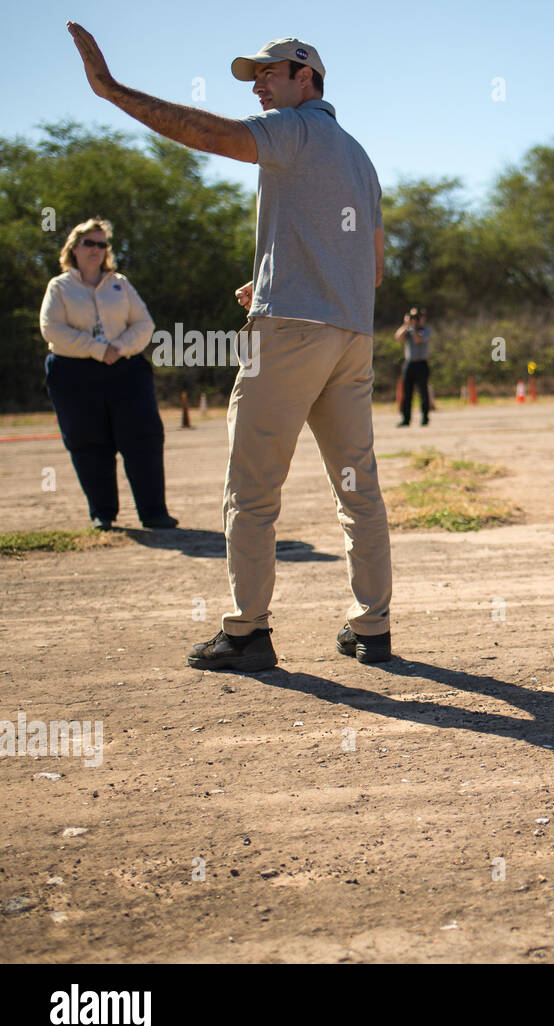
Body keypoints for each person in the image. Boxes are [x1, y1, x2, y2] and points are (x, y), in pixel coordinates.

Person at [68, 23, 393, 670]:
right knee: (358, 488)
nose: (259, 87)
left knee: (251, 491)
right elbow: (372, 265)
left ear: (308, 78)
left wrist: (111, 91)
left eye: (270, 74)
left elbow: (213, 135)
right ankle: (373, 628)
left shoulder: (295, 131)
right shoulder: (358, 156)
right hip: (351, 337)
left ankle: (247, 634)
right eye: (254, 79)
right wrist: (275, 277)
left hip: (291, 337)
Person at [39, 217, 177, 531]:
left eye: (102, 244)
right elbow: (52, 329)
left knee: (143, 438)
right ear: (74, 248)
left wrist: (119, 347)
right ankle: (103, 513)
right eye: (90, 243)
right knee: (89, 441)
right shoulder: (59, 287)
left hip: (125, 369)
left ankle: (154, 513)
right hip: (74, 374)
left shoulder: (120, 283)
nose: (97, 250)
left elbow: (144, 324)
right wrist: (95, 348)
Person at [395, 307, 433, 426]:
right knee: (407, 393)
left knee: (423, 392)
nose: (415, 320)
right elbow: (397, 337)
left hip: (422, 364)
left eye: (417, 317)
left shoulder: (426, 329)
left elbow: (418, 339)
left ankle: (425, 418)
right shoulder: (408, 329)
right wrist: (406, 325)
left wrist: (413, 328)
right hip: (409, 364)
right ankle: (406, 419)